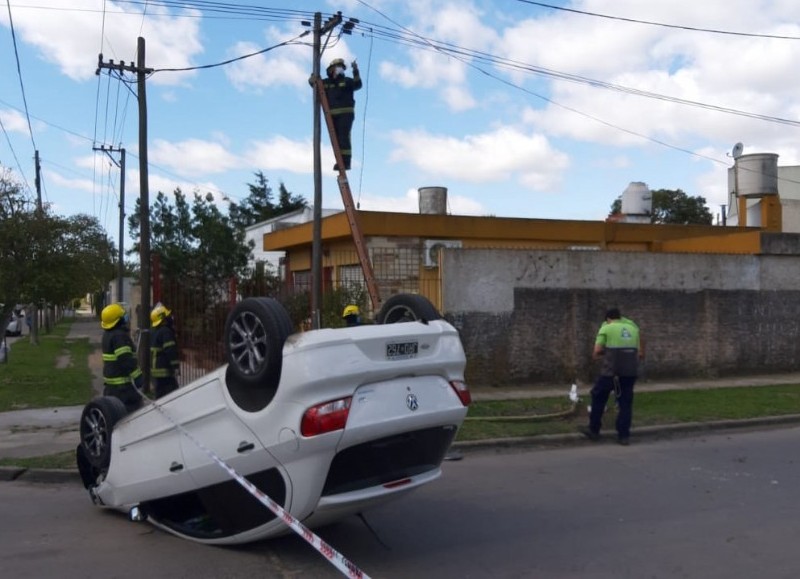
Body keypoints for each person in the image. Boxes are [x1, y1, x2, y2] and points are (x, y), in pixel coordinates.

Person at [580, 307, 644, 445]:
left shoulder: (606, 328)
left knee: (598, 397)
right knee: (625, 403)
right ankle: (623, 436)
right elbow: (640, 354)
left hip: (611, 373)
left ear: (608, 319)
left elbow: (596, 351)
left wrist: (607, 353)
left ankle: (594, 430)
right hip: (629, 373)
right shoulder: (633, 328)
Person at [100, 303, 143, 413]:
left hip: (110, 387)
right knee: (134, 413)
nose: (127, 320)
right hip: (122, 389)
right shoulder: (119, 336)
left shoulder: (107, 335)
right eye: (125, 317)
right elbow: (126, 359)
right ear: (118, 321)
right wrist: (137, 376)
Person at [322, 57, 362, 171]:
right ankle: (339, 161)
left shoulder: (347, 81)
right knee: (336, 139)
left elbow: (358, 84)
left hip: (346, 113)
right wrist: (312, 79)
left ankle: (345, 162)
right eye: (337, 67)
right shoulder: (327, 83)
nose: (340, 69)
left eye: (341, 67)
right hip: (332, 114)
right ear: (331, 70)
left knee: (343, 137)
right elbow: (315, 85)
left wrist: (355, 70)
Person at [150, 303, 180, 398]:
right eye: (167, 316)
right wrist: (175, 366)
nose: (170, 317)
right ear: (163, 319)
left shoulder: (155, 331)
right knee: (172, 394)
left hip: (156, 370)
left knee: (160, 394)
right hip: (164, 370)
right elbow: (170, 350)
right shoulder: (165, 331)